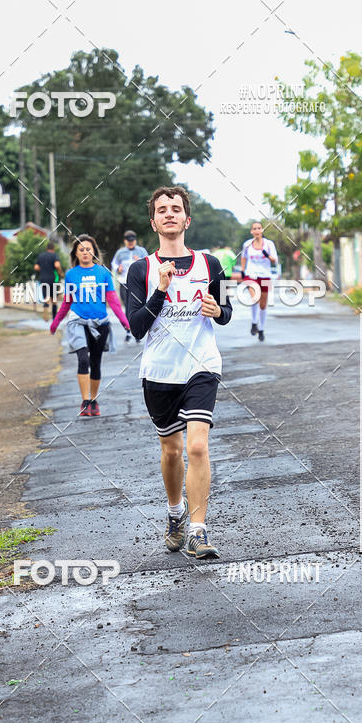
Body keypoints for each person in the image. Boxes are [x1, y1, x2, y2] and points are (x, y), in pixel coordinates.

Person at [126, 185, 232, 560]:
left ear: (187, 219)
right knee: (171, 452)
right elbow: (136, 327)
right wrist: (161, 290)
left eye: (176, 209)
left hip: (202, 364)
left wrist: (216, 310)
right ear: (153, 221)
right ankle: (175, 513)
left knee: (197, 446)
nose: (169, 214)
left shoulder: (210, 264)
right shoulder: (140, 270)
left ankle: (198, 531)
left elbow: (227, 312)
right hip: (160, 370)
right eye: (162, 210)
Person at [50, 234, 131, 417]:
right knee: (83, 359)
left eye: (88, 249)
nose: (85, 253)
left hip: (100, 323)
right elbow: (67, 302)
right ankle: (85, 400)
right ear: (76, 254)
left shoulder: (102, 273)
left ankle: (93, 400)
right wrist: (55, 323)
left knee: (95, 362)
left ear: (93, 252)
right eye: (81, 250)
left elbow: (113, 300)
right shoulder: (71, 274)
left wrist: (124, 322)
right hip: (78, 322)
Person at [241, 222, 278, 342]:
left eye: (259, 228)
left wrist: (267, 255)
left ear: (262, 230)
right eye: (254, 229)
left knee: (263, 305)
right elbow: (243, 257)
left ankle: (261, 329)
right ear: (251, 231)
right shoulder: (247, 244)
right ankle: (254, 322)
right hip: (251, 275)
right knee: (255, 298)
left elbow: (275, 261)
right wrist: (242, 270)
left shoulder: (269, 244)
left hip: (265, 276)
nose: (257, 230)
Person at [111, 230, 148, 340]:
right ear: (125, 241)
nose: (131, 243)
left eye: (132, 241)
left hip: (138, 283)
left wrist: (140, 261)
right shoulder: (120, 252)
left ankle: (138, 330)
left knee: (139, 305)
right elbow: (114, 263)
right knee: (128, 306)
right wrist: (118, 268)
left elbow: (149, 262)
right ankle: (128, 330)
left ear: (135, 241)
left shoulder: (141, 251)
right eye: (128, 241)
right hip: (124, 282)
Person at [34, 241, 63, 321]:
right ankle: (54, 318)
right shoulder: (54, 255)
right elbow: (57, 265)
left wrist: (43, 269)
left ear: (47, 248)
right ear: (53, 249)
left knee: (46, 298)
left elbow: (36, 267)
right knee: (54, 299)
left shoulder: (41, 256)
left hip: (43, 279)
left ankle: (46, 313)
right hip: (52, 280)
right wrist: (60, 272)